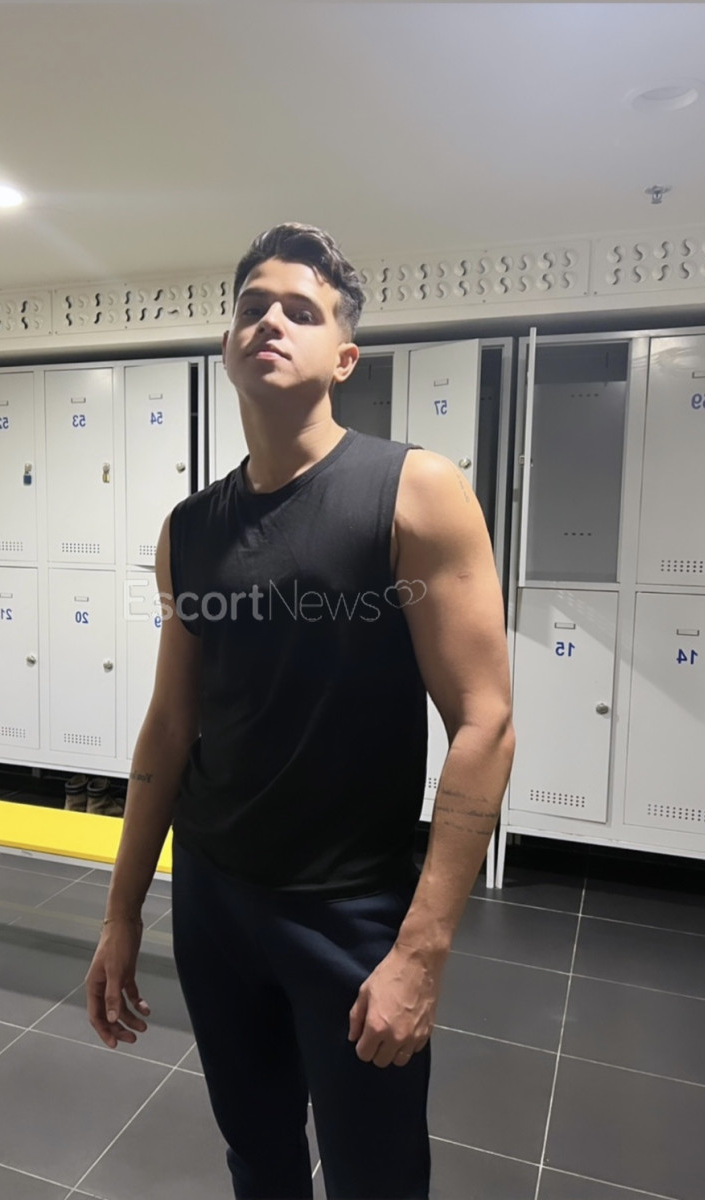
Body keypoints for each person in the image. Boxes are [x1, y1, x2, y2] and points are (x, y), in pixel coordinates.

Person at [86, 223, 515, 1200]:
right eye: (251, 307)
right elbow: (168, 726)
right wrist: (121, 912)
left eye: (299, 310)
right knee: (258, 1157)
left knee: (375, 1175)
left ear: (343, 358)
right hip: (212, 897)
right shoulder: (190, 530)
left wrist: (420, 952)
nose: (269, 321)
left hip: (348, 909)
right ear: (226, 345)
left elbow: (484, 721)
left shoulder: (414, 492)